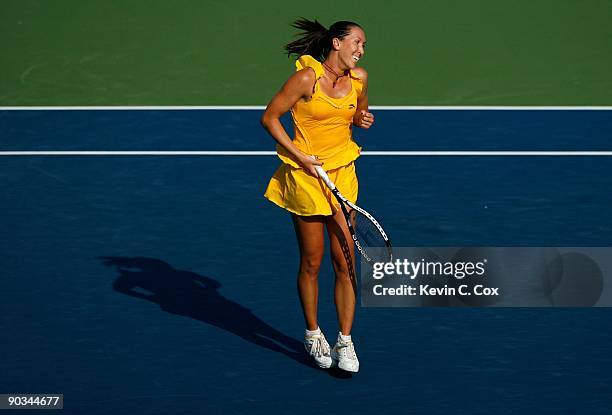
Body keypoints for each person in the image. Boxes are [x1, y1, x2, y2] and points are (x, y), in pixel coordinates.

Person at [261, 18, 374, 373]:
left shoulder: (360, 79)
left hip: (343, 175)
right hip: (307, 178)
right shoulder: (306, 78)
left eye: (364, 46)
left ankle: (345, 340)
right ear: (336, 43)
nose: (360, 50)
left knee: (345, 263)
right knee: (312, 262)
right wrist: (299, 156)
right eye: (356, 42)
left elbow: (356, 114)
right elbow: (270, 118)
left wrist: (361, 120)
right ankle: (313, 334)